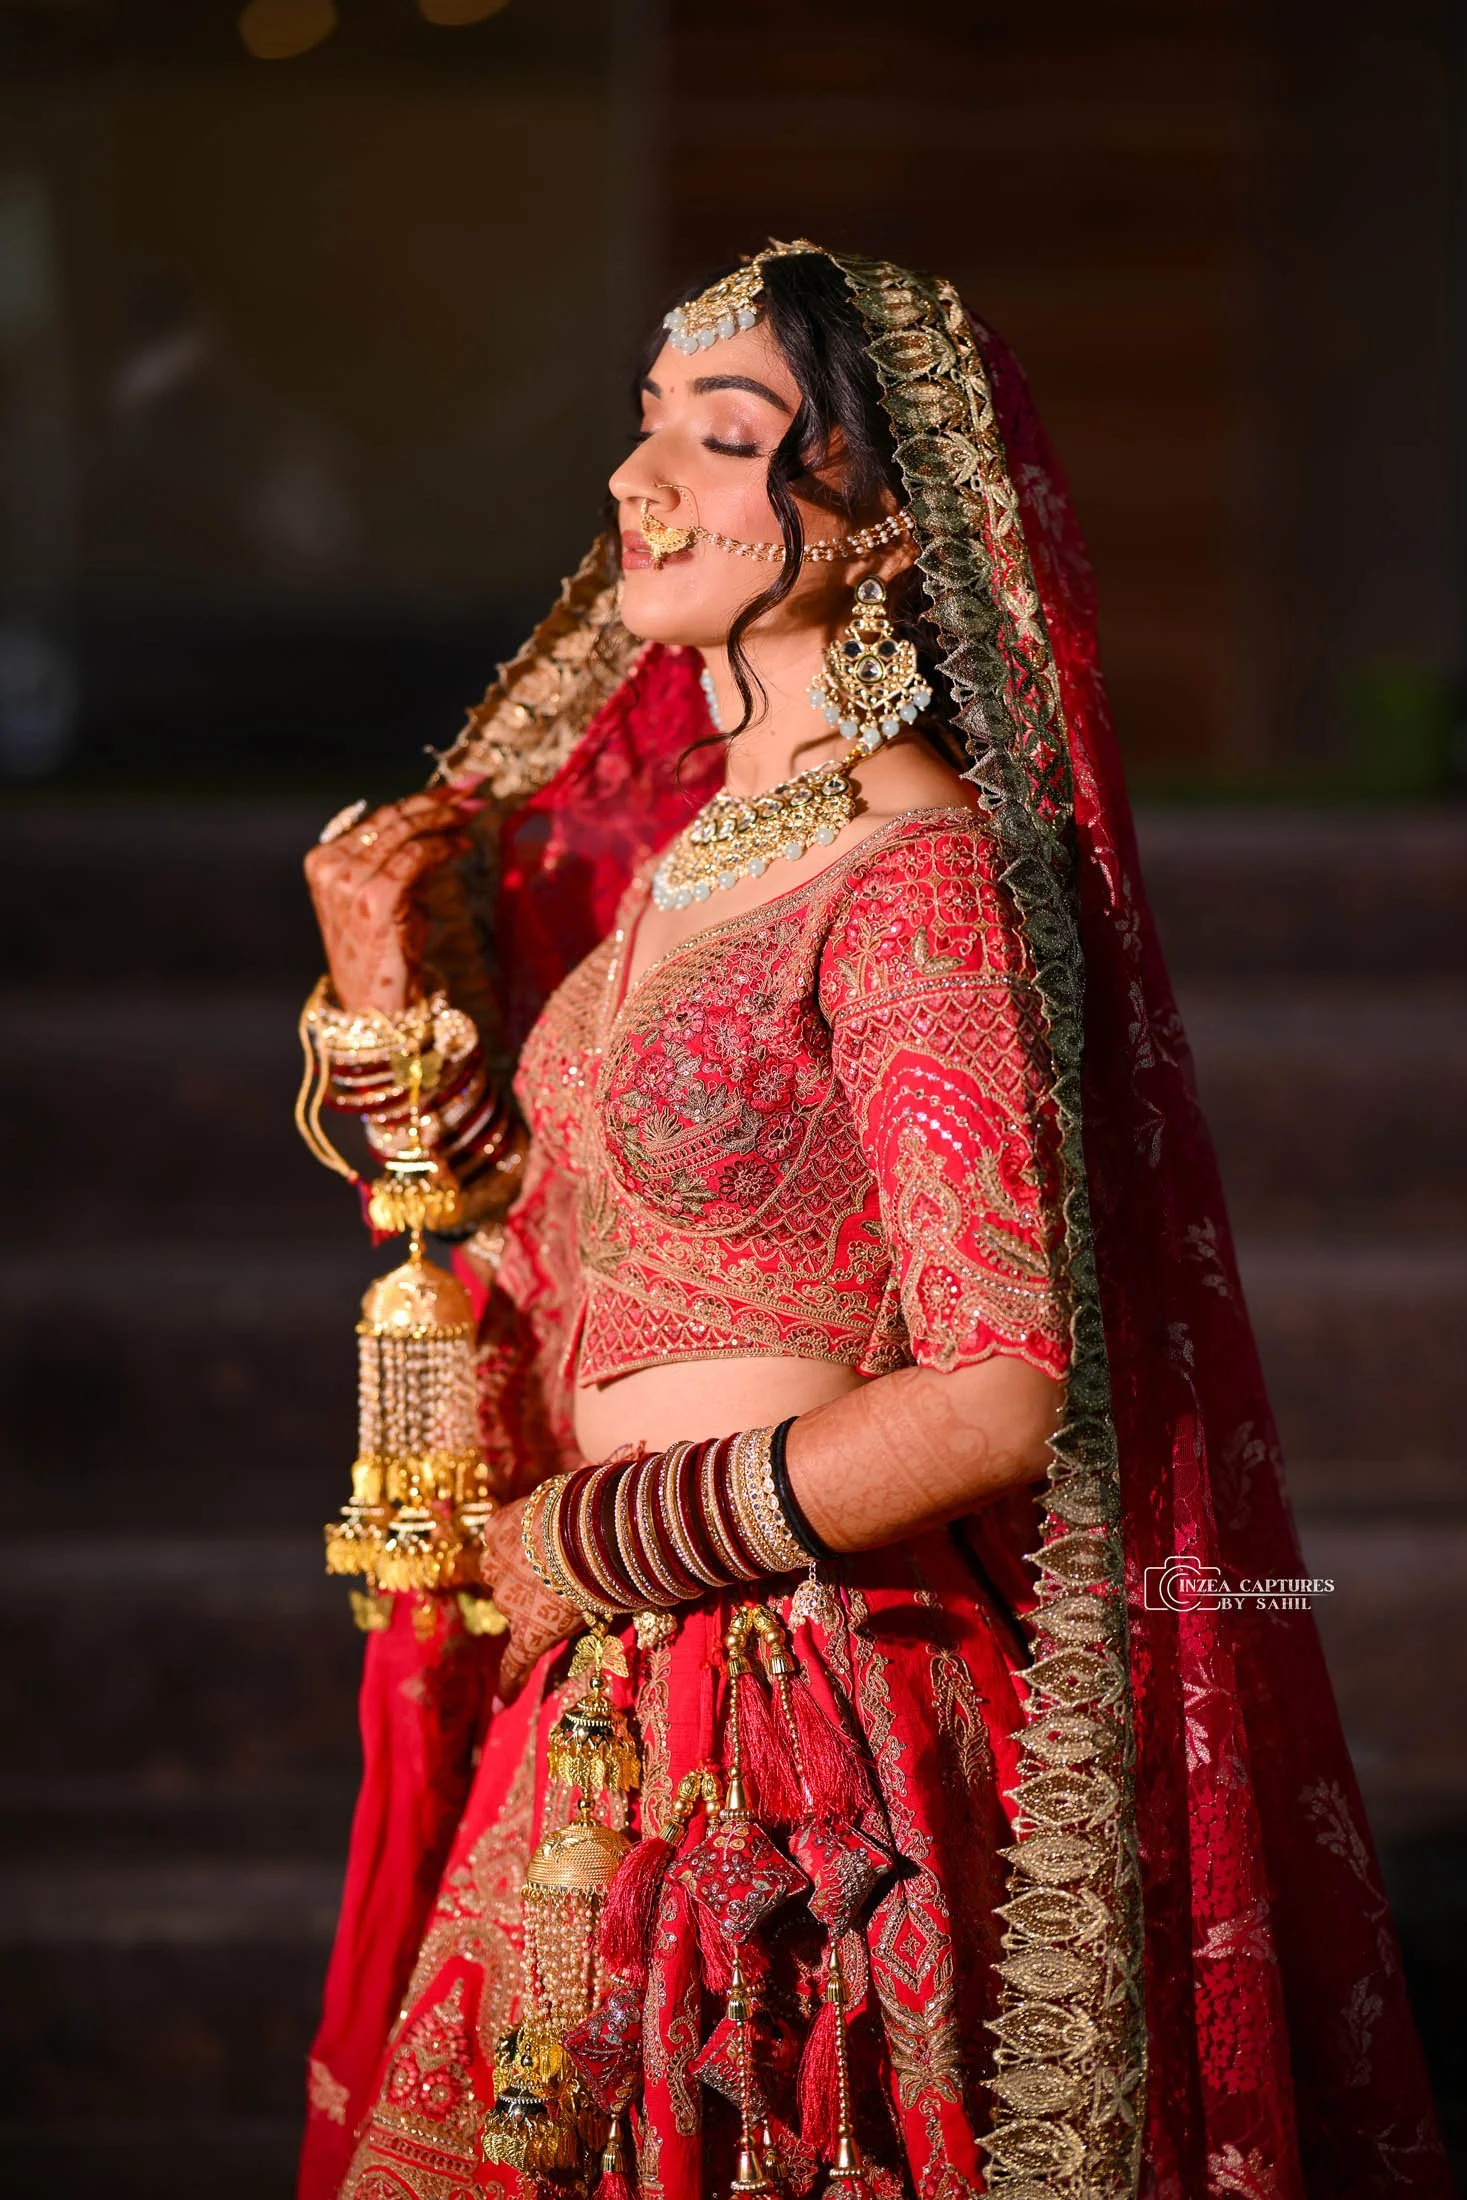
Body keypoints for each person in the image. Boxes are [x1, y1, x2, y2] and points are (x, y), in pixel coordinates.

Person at [293, 245, 1450, 2200]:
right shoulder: (675, 877)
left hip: (805, 1720)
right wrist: (380, 991)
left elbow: (998, 1386)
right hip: (606, 1711)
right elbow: (544, 1253)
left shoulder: (909, 875)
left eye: (722, 434)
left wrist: (588, 1537)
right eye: (644, 428)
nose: (639, 480)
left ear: (888, 519)